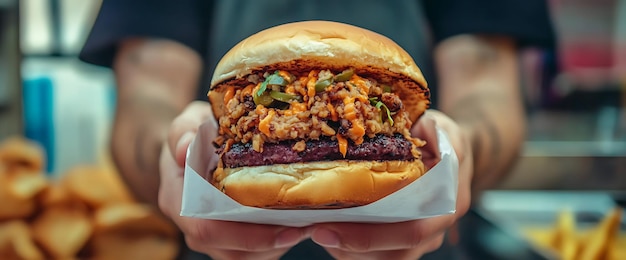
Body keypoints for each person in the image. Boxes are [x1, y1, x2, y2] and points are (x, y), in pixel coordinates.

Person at [80, 0, 555, 259]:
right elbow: (146, 97)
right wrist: (176, 152)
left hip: (428, 247)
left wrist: (458, 150)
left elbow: (485, 85)